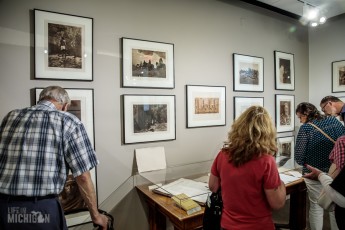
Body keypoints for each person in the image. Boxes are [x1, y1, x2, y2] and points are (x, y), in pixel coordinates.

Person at [0, 86, 108, 230]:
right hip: (40, 210)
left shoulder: (11, 116)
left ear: (41, 100)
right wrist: (96, 216)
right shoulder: (68, 121)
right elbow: (83, 176)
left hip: (3, 207)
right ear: (65, 105)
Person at [208, 106, 286, 230]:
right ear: (267, 131)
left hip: (227, 225)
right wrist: (281, 184)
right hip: (258, 226)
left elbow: (213, 186)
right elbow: (277, 203)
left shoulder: (223, 154)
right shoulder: (266, 160)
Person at [295, 102, 345, 230]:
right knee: (335, 207)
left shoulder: (306, 128)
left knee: (316, 206)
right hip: (336, 172)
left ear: (306, 114)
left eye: (300, 117)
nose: (300, 121)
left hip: (314, 173)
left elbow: (299, 157)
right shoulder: (333, 121)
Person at [304, 164, 345, 229]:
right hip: (330, 174)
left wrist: (320, 175)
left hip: (318, 174)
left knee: (316, 206)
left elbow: (339, 196)